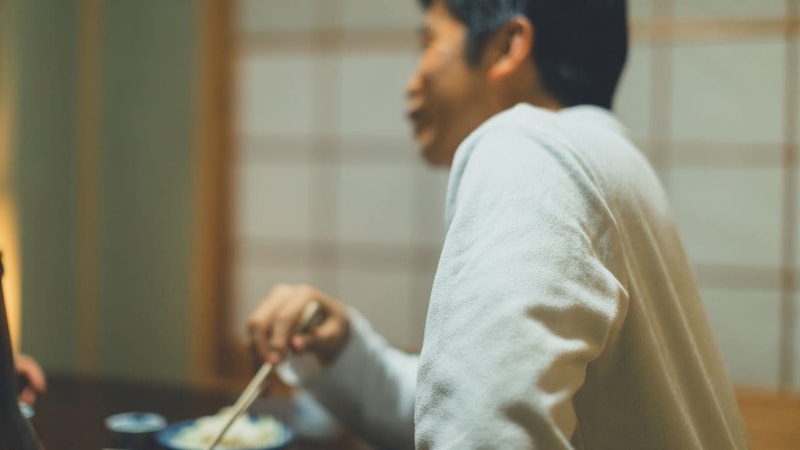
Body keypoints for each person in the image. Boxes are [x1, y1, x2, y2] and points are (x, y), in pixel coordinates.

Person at [248, 0, 751, 449]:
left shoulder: (526, 146)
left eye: (429, 42)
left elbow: (481, 432)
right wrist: (345, 352)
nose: (412, 79)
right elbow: (474, 405)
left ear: (508, 47)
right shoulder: (608, 159)